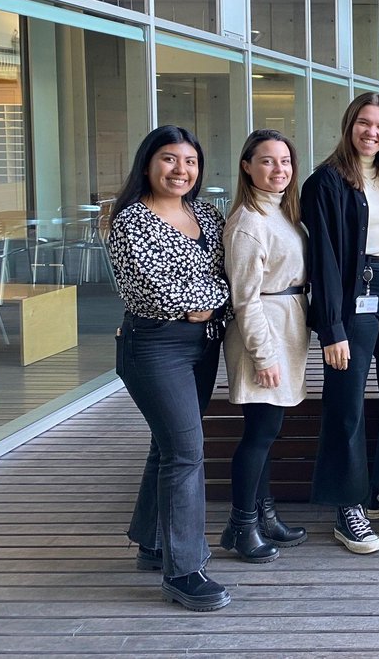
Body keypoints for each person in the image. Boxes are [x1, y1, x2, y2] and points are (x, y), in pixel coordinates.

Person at [108, 126, 231, 611]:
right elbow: (159, 293)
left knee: (169, 444)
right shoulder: (130, 221)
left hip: (202, 345)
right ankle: (184, 570)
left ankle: (152, 541)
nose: (181, 170)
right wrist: (212, 299)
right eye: (169, 159)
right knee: (186, 452)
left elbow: (227, 274)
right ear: (147, 164)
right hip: (154, 346)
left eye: (190, 161)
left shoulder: (206, 212)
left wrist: (207, 302)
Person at [301, 93, 379, 555]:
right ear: (349, 125)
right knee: (346, 402)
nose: (372, 132)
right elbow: (325, 261)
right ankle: (347, 506)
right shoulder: (327, 183)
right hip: (355, 294)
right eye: (364, 123)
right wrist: (331, 327)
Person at [219, 130, 310, 564]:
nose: (279, 170)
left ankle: (265, 514)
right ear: (247, 166)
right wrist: (264, 354)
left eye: (286, 161)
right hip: (263, 332)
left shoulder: (282, 213)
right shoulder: (248, 222)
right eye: (268, 161)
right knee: (258, 434)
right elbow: (244, 298)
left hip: (285, 324)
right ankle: (242, 526)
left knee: (269, 432)